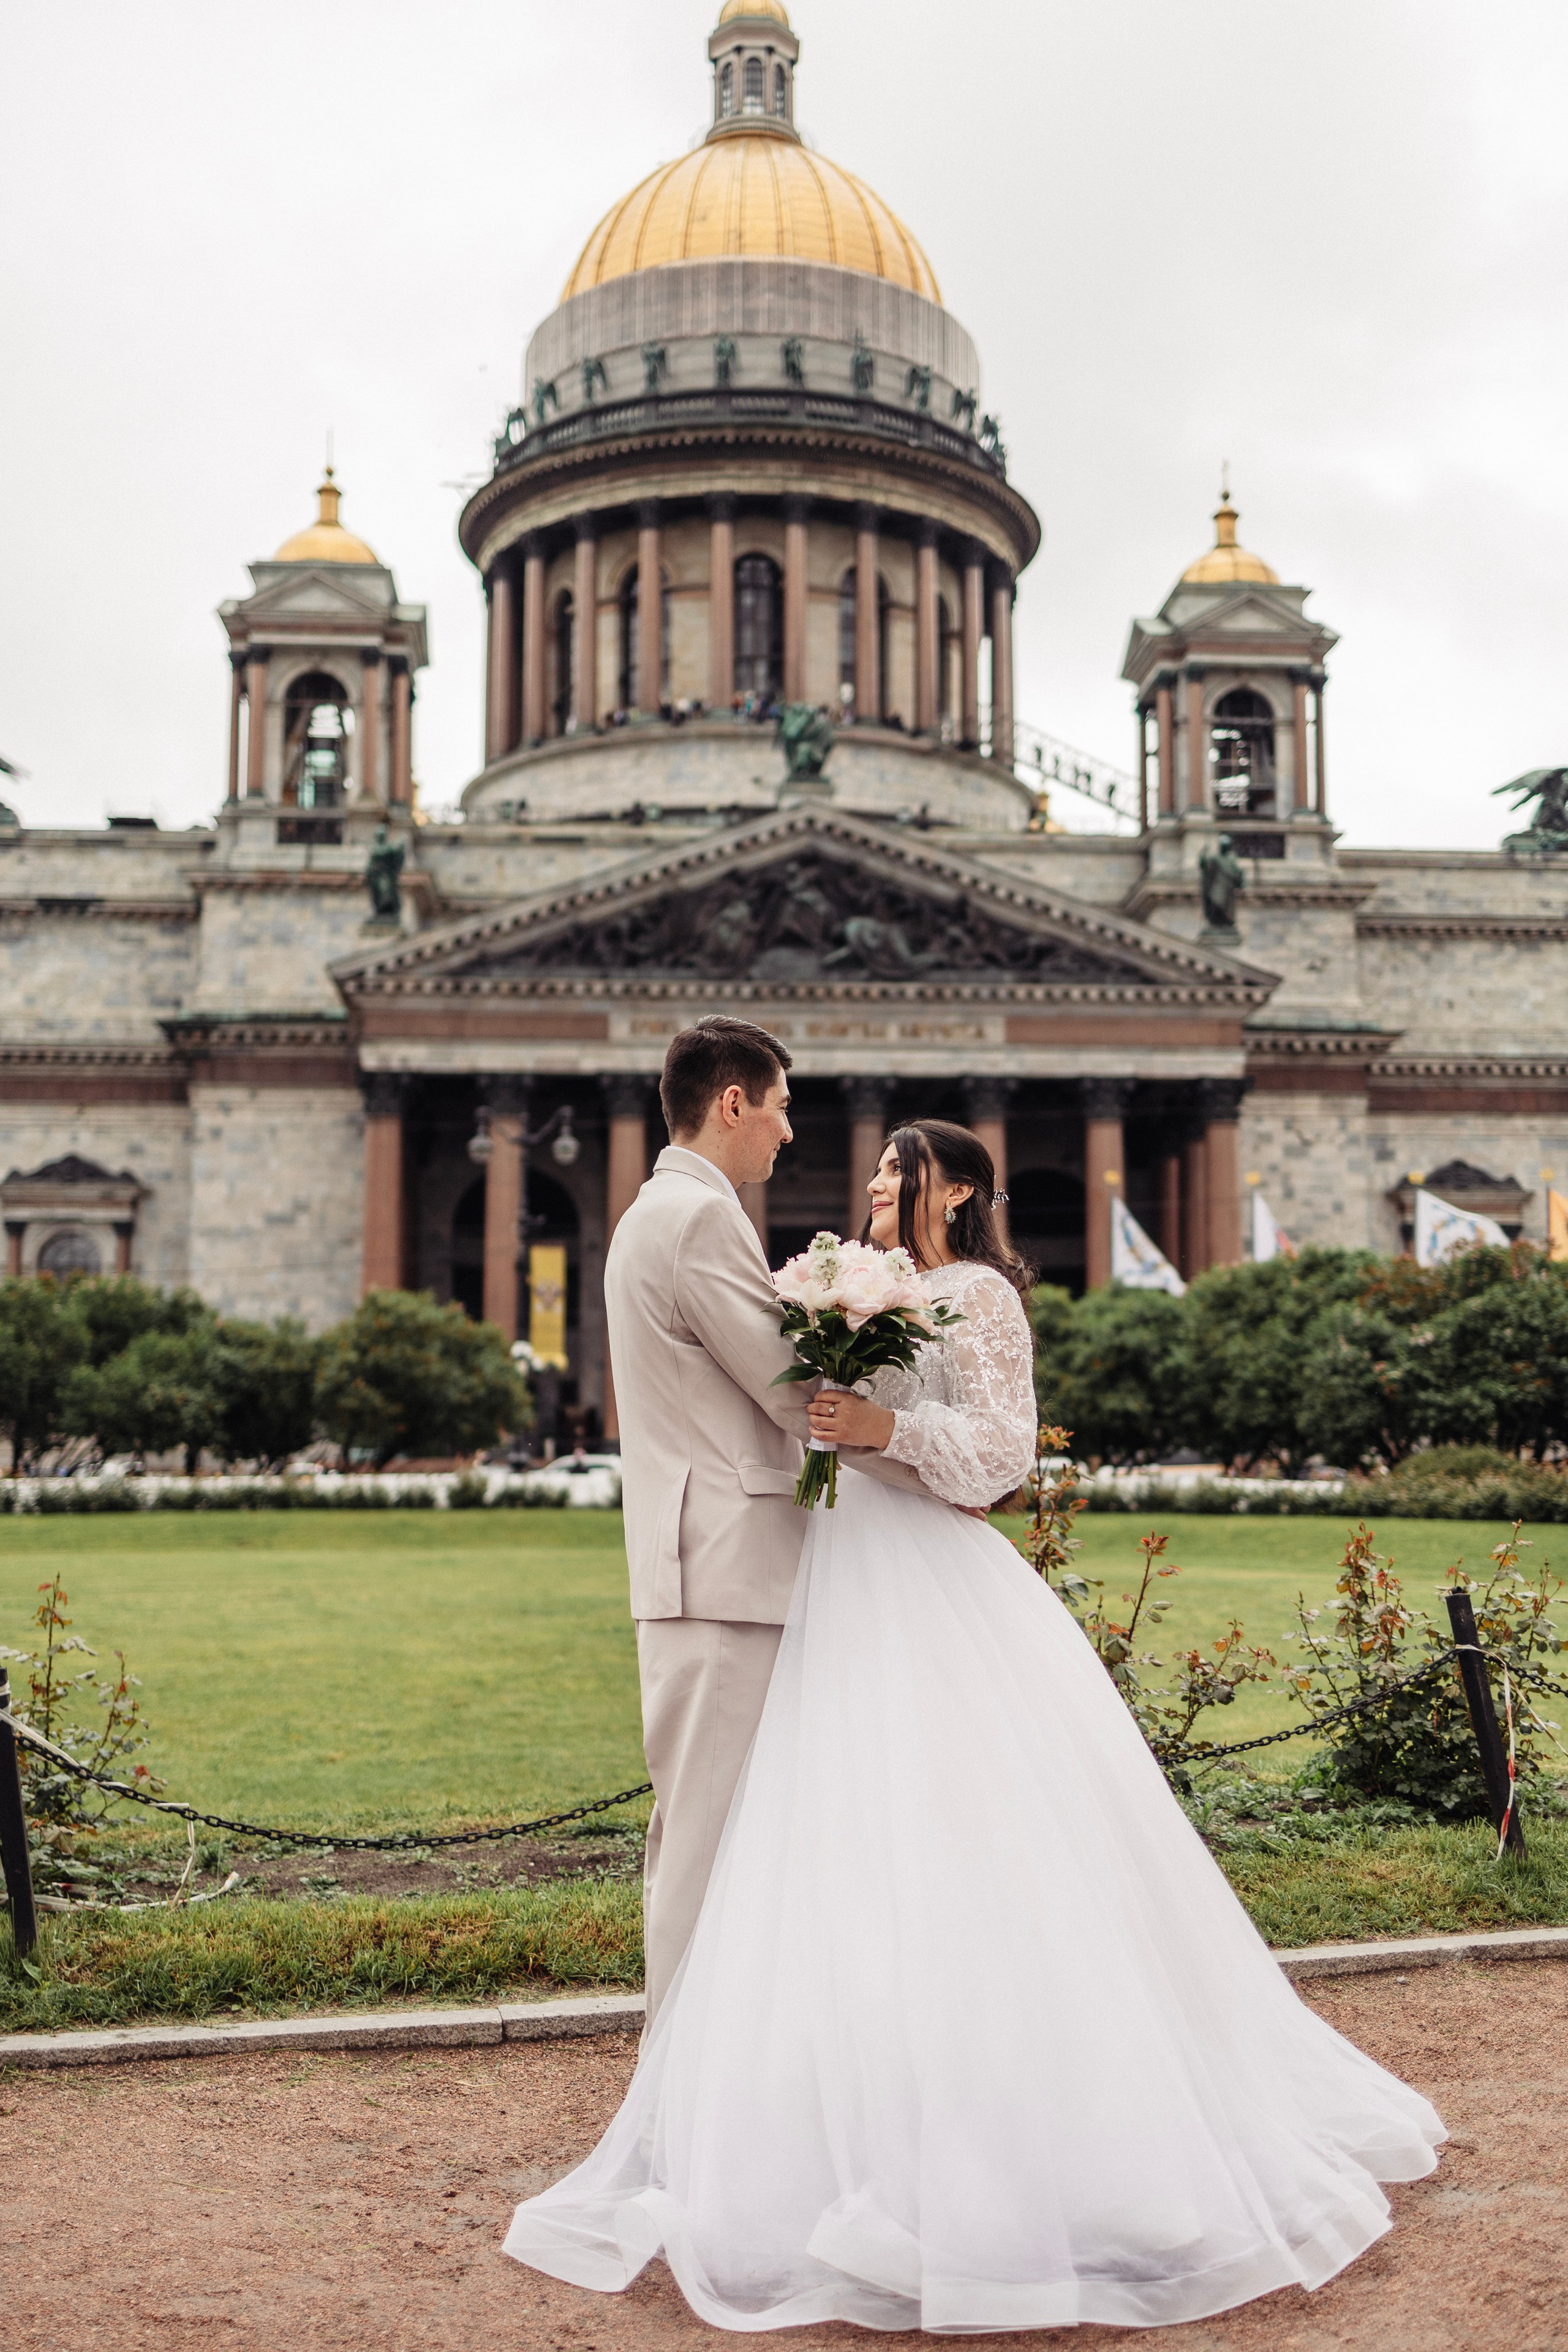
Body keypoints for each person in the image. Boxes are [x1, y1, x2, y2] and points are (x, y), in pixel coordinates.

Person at [506, 1117, 1444, 2332]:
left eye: (905, 1171)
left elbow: (999, 1460)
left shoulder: (980, 1298)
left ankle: (1011, 2146)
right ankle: (841, 2133)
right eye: (880, 1170)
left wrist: (881, 1428)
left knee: (967, 1851)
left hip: (932, 1586)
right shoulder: (869, 1289)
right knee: (837, 1854)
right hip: (836, 1576)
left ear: (959, 1189)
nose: (881, 1185)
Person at [594, 1016, 932, 2027]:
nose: (790, 1134)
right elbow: (789, 1389)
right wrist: (907, 1411)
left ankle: (707, 2084)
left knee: (710, 1838)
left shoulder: (662, 1211)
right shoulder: (697, 1218)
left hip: (709, 1564)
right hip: (724, 1568)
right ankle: (680, 2105)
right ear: (733, 1102)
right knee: (708, 1847)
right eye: (781, 1108)